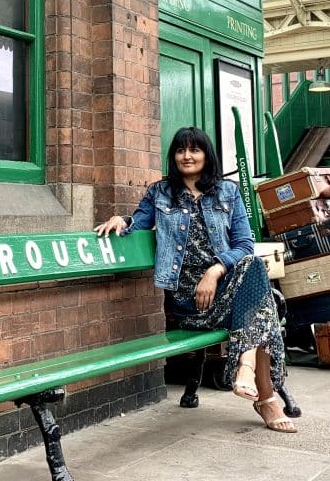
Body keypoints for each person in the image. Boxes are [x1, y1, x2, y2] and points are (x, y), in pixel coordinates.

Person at [94, 126, 296, 433]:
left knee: (253, 265)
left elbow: (244, 245)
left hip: (222, 292)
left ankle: (247, 368)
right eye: (180, 150)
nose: (187, 156)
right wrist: (122, 220)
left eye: (194, 150)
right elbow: (140, 220)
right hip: (189, 301)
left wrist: (214, 272)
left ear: (206, 154)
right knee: (262, 305)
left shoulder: (228, 192)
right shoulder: (160, 192)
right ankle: (263, 394)